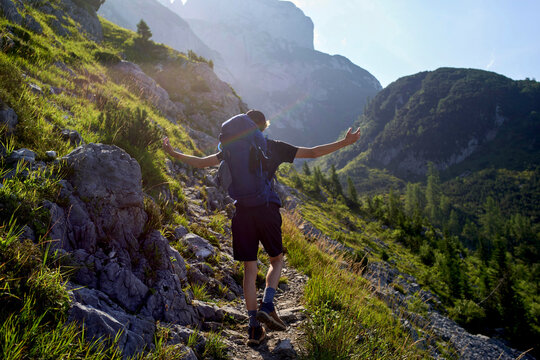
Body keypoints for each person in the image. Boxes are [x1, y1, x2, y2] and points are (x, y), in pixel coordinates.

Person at [162, 110, 361, 346]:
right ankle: (268, 304)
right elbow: (314, 152)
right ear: (262, 127)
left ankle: (254, 328)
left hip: (242, 214)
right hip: (266, 210)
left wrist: (173, 152)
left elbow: (200, 163)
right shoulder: (272, 146)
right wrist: (345, 142)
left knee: (249, 268)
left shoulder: (229, 150)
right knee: (276, 260)